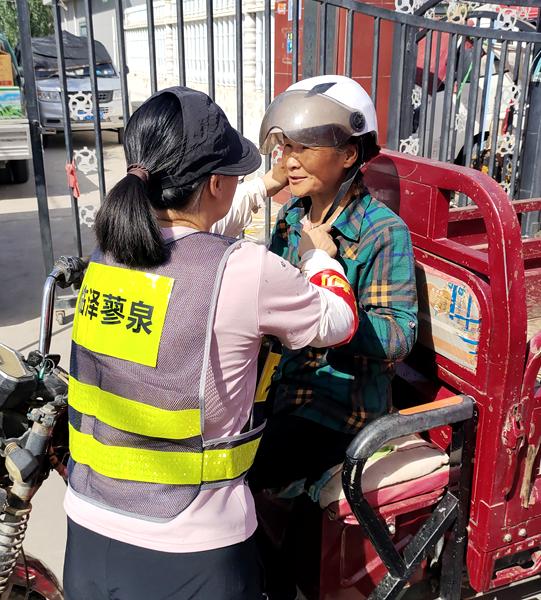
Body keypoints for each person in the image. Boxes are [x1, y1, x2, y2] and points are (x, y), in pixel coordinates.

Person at [63, 86, 361, 600]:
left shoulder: (110, 251)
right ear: (217, 183)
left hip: (88, 530)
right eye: (235, 175)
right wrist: (319, 258)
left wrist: (263, 186)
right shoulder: (242, 270)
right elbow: (339, 321)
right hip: (189, 551)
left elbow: (196, 231)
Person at [248, 75, 419, 598]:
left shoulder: (382, 232)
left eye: (304, 147)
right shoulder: (291, 217)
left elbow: (398, 335)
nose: (289, 159)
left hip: (339, 409)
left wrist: (329, 290)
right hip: (283, 389)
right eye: (285, 146)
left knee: (232, 474)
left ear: (348, 154)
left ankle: (278, 591)